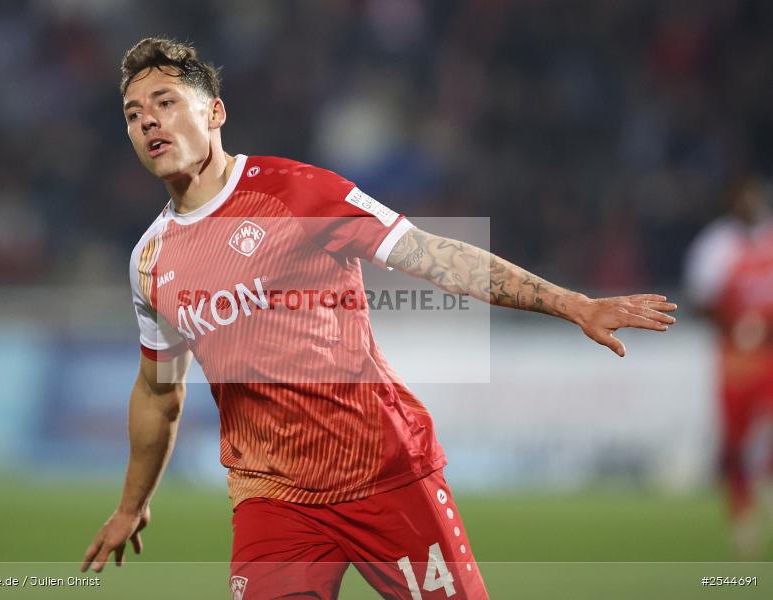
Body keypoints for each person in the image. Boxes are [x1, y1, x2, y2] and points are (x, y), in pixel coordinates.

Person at [80, 37, 677, 599]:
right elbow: (160, 393)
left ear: (214, 113)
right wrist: (132, 505)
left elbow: (437, 259)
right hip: (272, 498)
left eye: (165, 103)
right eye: (134, 115)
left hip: (385, 473)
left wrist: (573, 303)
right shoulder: (150, 259)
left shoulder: (299, 194)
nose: (149, 121)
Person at [684, 176, 773, 559]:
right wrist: (733, 323)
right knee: (735, 446)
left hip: (770, 357)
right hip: (734, 362)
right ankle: (743, 522)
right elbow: (698, 301)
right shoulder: (715, 246)